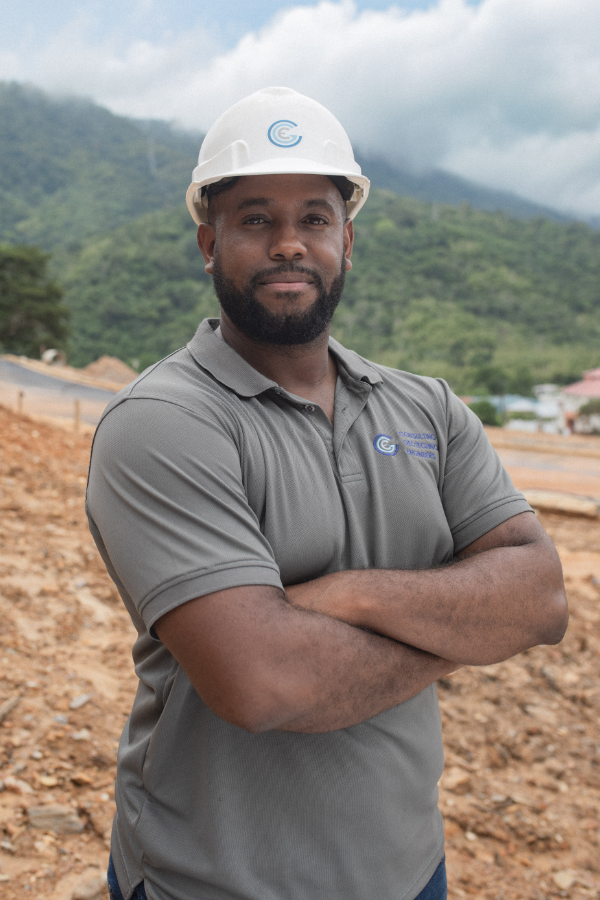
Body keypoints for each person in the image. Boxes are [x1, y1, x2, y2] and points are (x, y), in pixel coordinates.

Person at [87, 87, 568, 900]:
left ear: (348, 240)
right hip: (210, 879)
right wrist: (467, 625)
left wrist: (343, 595)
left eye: (313, 219)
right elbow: (263, 684)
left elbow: (542, 598)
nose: (287, 244)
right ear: (208, 242)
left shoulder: (430, 407)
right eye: (254, 220)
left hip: (408, 869)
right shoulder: (163, 422)